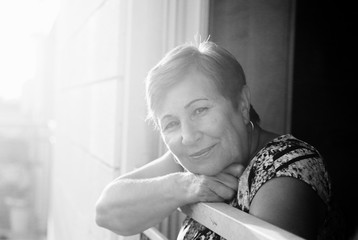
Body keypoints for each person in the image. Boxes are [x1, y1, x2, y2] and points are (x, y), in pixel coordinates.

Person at [95, 40, 343, 240]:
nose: (189, 136)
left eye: (200, 110)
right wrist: (185, 186)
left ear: (242, 104)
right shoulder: (192, 159)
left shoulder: (286, 170)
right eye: (171, 123)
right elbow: (107, 211)